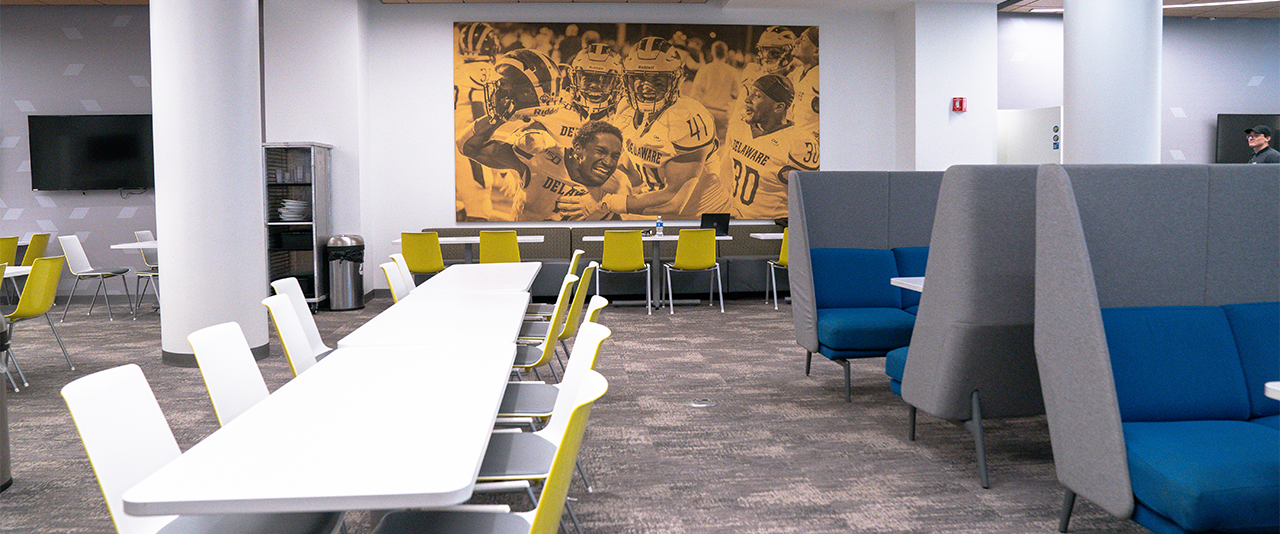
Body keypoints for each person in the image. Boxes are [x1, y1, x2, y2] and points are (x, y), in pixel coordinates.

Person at [458, 116, 628, 221]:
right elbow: (467, 146)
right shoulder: (539, 158)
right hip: (524, 247)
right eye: (601, 152)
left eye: (615, 156)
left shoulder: (616, 184)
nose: (608, 162)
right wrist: (500, 116)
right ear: (578, 148)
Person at [725, 74, 819, 220]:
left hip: (770, 230)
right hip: (737, 221)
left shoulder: (799, 143)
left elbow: (814, 199)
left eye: (757, 96)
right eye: (750, 93)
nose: (747, 99)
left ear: (779, 106)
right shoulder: (741, 126)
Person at [453, 22, 502, 221]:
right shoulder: (485, 71)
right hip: (469, 146)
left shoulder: (456, 69)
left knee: (457, 206)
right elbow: (482, 114)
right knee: (479, 212)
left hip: (448, 147)